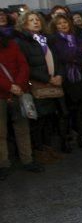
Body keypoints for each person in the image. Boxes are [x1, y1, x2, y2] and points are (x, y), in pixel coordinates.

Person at [15, 11, 66, 161]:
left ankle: (48, 148)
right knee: (39, 120)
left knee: (50, 118)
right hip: (36, 86)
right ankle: (38, 151)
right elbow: (27, 67)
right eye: (31, 20)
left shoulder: (46, 40)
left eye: (37, 19)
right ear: (24, 24)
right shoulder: (22, 42)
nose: (36, 22)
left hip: (52, 83)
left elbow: (57, 60)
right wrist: (48, 78)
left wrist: (59, 75)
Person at [48, 14, 82, 150]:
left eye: (65, 22)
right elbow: (64, 55)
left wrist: (76, 56)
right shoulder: (54, 40)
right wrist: (80, 51)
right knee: (66, 112)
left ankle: (81, 136)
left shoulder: (76, 38)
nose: (63, 25)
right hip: (66, 80)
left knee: (81, 109)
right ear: (55, 26)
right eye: (59, 23)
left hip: (81, 79)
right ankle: (65, 140)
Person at [0, 30, 42, 179]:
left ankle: (27, 160)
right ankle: (3, 164)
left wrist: (18, 84)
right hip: (4, 93)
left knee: (22, 127)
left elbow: (23, 65)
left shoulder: (11, 44)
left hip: (18, 92)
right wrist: (10, 86)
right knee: (1, 132)